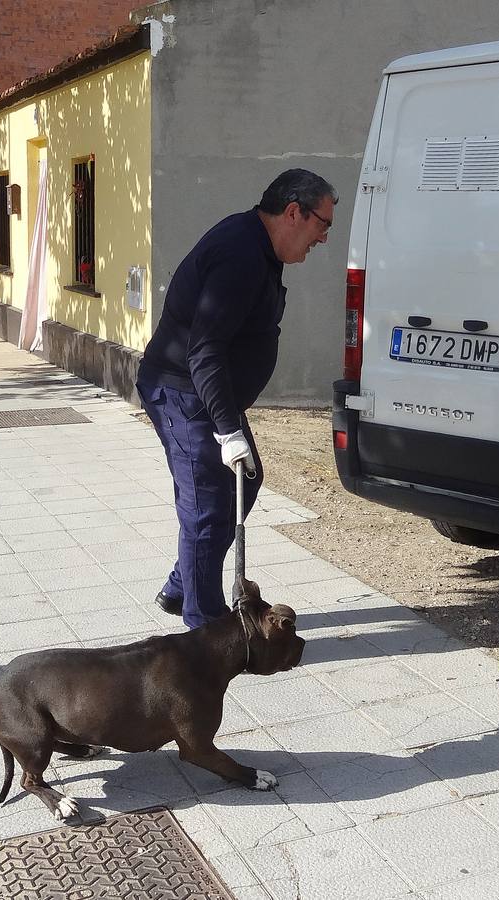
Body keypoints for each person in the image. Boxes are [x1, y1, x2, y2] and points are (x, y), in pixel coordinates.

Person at [136, 168, 337, 628]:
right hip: (183, 392)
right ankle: (205, 632)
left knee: (244, 481)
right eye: (323, 224)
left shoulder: (261, 247)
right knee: (208, 508)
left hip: (206, 392)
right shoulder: (240, 254)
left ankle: (183, 585)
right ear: (294, 212)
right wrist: (228, 431)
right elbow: (204, 349)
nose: (324, 237)